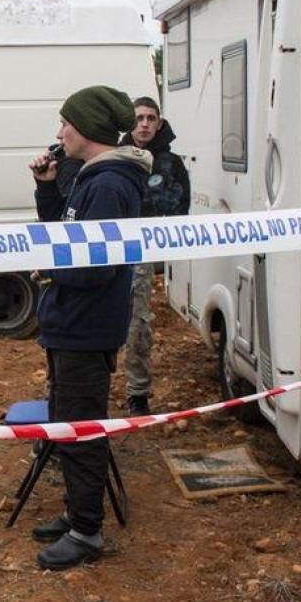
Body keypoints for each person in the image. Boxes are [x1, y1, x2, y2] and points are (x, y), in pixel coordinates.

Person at [28, 85, 151, 570]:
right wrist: (47, 187)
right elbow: (67, 235)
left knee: (81, 430)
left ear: (88, 130)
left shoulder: (109, 185)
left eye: (65, 124)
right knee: (67, 423)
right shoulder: (90, 178)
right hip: (70, 325)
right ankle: (77, 511)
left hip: (86, 326)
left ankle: (86, 531)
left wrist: (53, 270)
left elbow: (96, 266)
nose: (59, 132)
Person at [117, 96, 191, 416]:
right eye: (139, 118)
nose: (144, 124)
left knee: (138, 323)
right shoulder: (115, 157)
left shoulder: (170, 164)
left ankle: (137, 392)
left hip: (142, 251)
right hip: (109, 247)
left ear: (159, 123)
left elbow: (179, 208)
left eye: (150, 118)